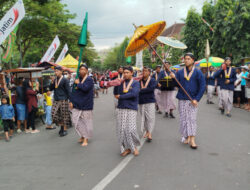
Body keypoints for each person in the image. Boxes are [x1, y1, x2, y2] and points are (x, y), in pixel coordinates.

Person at [170, 53, 206, 149]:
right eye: (185, 59)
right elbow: (176, 85)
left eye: (188, 59)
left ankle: (192, 139)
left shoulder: (198, 73)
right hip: (182, 99)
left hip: (192, 100)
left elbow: (202, 87)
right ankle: (186, 136)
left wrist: (196, 99)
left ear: (193, 60)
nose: (186, 60)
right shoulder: (180, 72)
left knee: (192, 119)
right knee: (183, 119)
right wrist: (173, 78)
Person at [114, 66, 140, 156]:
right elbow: (115, 94)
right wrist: (117, 83)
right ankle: (126, 148)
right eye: (124, 72)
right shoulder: (121, 83)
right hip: (121, 108)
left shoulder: (136, 83)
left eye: (127, 72)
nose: (125, 74)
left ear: (132, 73)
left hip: (132, 108)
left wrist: (121, 97)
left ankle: (134, 146)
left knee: (130, 129)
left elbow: (134, 94)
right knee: (121, 130)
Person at [70, 64, 94, 147]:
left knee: (87, 122)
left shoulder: (89, 80)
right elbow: (73, 91)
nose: (82, 71)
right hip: (77, 104)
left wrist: (78, 83)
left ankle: (85, 138)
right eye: (81, 69)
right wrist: (71, 101)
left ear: (87, 71)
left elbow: (85, 88)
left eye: (84, 69)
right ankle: (83, 135)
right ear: (79, 71)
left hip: (86, 104)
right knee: (75, 120)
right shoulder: (77, 79)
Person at [50, 66, 71, 137]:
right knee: (54, 114)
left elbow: (69, 91)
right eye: (55, 71)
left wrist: (70, 101)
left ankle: (64, 129)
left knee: (64, 115)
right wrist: (52, 82)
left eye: (57, 71)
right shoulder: (55, 79)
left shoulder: (65, 80)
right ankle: (61, 126)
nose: (56, 72)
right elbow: (51, 88)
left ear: (61, 71)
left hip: (63, 99)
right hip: (56, 99)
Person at [139, 67, 157, 142]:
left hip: (150, 101)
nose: (144, 72)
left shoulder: (152, 80)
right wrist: (141, 90)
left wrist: (141, 90)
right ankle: (146, 131)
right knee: (144, 118)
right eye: (143, 71)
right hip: (141, 101)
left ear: (149, 72)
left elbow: (151, 89)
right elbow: (136, 89)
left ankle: (149, 133)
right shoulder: (139, 80)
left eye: (146, 71)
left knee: (150, 117)